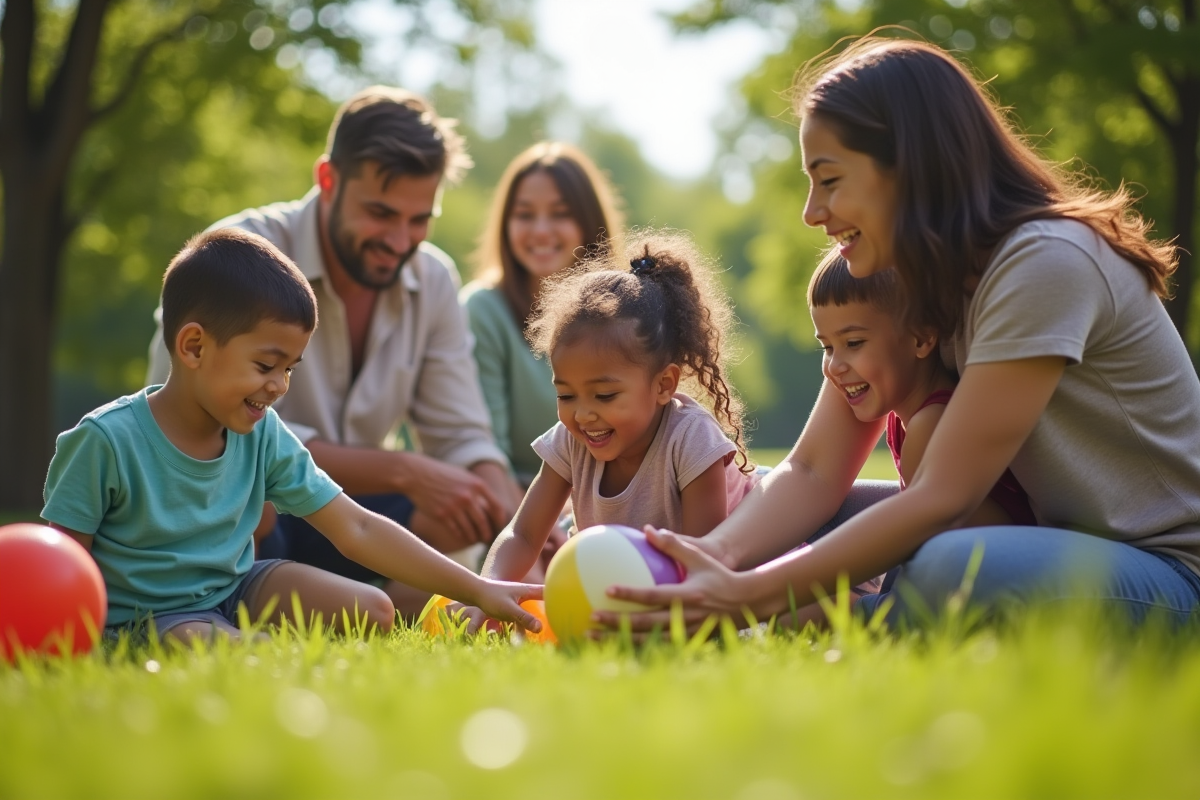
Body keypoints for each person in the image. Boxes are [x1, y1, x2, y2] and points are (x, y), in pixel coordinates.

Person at [598, 37, 1200, 633]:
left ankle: (865, 621)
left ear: (908, 168)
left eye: (829, 180)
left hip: (1168, 573)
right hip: (1052, 541)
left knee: (950, 566)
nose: (812, 211)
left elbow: (944, 496)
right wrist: (715, 559)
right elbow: (812, 472)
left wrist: (747, 595)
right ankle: (853, 608)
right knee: (805, 515)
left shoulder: (1045, 262)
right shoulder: (911, 279)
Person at [44, 229, 542, 644]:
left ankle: (232, 631)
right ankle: (230, 638)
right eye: (266, 365)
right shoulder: (105, 441)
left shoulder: (261, 434)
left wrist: (477, 588)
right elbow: (57, 561)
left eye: (290, 368)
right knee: (226, 647)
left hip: (239, 587)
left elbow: (358, 528)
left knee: (373, 608)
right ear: (194, 346)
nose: (279, 386)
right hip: (151, 617)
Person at [145, 86, 523, 618]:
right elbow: (193, 425)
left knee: (459, 511)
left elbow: (462, 434)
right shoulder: (234, 257)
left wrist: (521, 528)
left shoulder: (432, 277)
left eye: (419, 220)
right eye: (380, 213)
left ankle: (385, 605)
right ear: (328, 180)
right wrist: (403, 470)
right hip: (241, 514)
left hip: (343, 516)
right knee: (264, 509)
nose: (399, 239)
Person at [472, 232, 760, 599]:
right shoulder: (570, 440)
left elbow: (703, 563)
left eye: (605, 395)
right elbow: (523, 534)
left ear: (663, 385)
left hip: (735, 573)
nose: (583, 414)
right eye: (565, 394)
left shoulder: (691, 440)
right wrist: (487, 591)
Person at [809, 253, 1035, 529]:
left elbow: (962, 544)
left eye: (854, 343)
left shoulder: (929, 426)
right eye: (827, 348)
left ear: (921, 338)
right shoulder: (905, 414)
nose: (834, 366)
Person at [460, 142, 624, 488]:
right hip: (514, 504)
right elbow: (488, 454)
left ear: (588, 222)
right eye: (524, 214)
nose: (540, 230)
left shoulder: (626, 313)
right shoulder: (483, 311)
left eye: (561, 213)